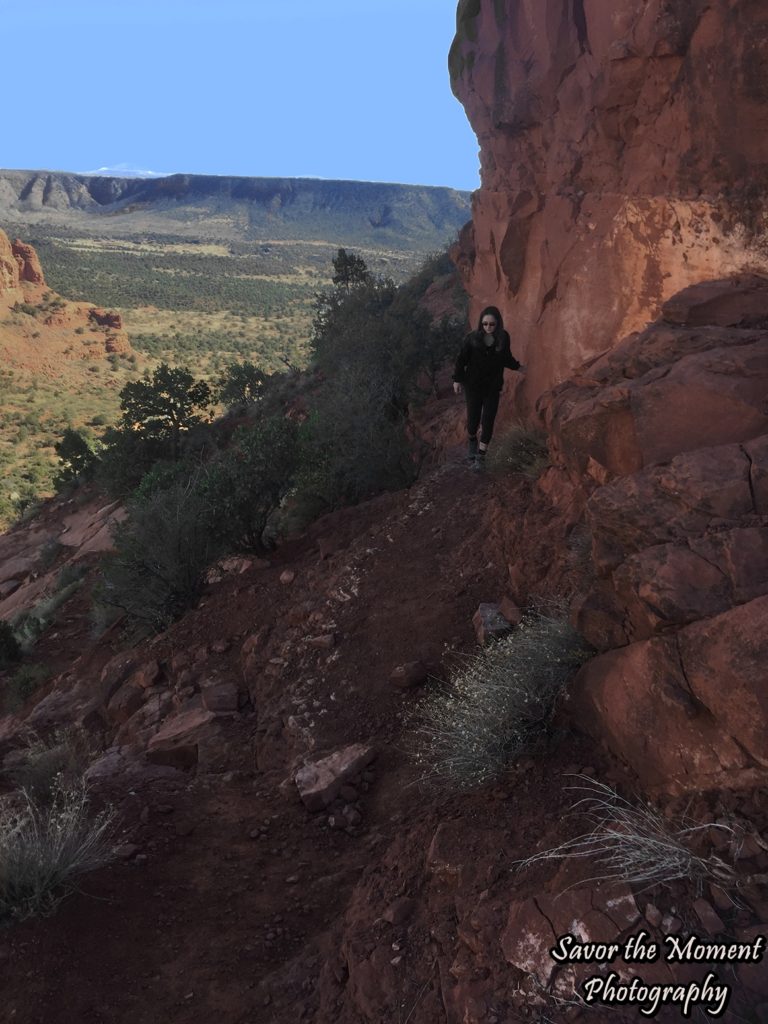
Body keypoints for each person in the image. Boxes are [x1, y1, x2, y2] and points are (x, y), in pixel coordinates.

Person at [452, 305, 523, 467]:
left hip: (492, 387)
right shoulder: (472, 338)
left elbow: (506, 358)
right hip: (473, 386)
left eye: (492, 324)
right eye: (485, 324)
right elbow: (461, 359)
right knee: (473, 421)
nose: (488, 327)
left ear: (498, 323)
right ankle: (472, 441)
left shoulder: (503, 337)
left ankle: (481, 458)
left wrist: (519, 367)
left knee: (488, 421)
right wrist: (457, 380)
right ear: (480, 323)